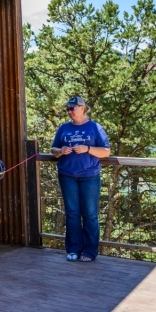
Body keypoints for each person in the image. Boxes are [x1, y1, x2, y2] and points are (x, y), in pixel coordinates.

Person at [51, 96, 111, 262]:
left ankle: (89, 251)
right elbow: (53, 149)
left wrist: (88, 148)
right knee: (72, 213)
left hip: (90, 176)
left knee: (90, 214)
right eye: (68, 109)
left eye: (72, 108)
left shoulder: (94, 127)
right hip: (67, 175)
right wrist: (60, 150)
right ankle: (73, 250)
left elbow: (106, 151)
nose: (70, 112)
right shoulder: (64, 128)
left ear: (82, 108)